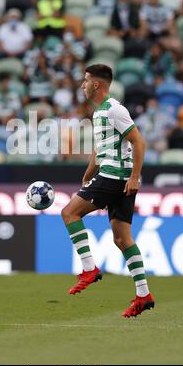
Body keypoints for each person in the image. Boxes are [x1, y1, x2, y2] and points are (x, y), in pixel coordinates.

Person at [61, 64, 155, 318]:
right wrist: (89, 173)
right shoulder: (99, 112)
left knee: (69, 213)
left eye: (86, 80)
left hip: (115, 176)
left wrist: (135, 176)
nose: (82, 84)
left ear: (97, 84)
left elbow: (139, 141)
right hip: (116, 177)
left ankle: (89, 269)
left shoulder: (114, 109)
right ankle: (143, 294)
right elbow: (100, 148)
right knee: (122, 240)